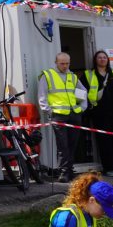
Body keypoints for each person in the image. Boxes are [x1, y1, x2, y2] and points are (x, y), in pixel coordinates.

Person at [36, 52, 87, 181]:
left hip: (74, 114)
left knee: (73, 144)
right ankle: (64, 173)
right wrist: (49, 111)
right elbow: (42, 95)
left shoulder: (72, 76)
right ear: (56, 63)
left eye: (67, 63)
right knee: (62, 145)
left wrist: (82, 108)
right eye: (62, 63)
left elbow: (83, 92)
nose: (65, 66)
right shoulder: (47, 75)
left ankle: (69, 170)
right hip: (58, 115)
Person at [83, 50, 113, 176]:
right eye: (99, 57)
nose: (102, 59)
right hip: (100, 116)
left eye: (104, 57)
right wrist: (90, 111)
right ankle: (109, 168)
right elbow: (82, 94)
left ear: (108, 60)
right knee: (104, 142)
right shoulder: (88, 75)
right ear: (95, 60)